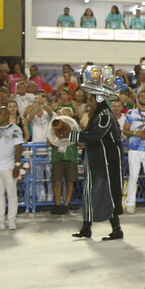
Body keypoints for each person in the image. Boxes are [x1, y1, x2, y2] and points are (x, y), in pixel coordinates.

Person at [63, 69, 125, 241]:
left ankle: (117, 229)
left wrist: (73, 135)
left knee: (108, 193)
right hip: (96, 160)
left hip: (107, 162)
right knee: (89, 192)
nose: (89, 100)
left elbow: (95, 136)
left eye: (92, 97)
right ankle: (86, 227)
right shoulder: (98, 115)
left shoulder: (104, 115)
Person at [47, 107, 79, 215]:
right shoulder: (53, 127)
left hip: (71, 156)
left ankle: (66, 204)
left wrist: (71, 135)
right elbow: (49, 142)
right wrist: (58, 137)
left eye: (67, 115)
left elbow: (81, 143)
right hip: (57, 157)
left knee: (70, 181)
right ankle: (57, 204)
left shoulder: (75, 127)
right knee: (57, 181)